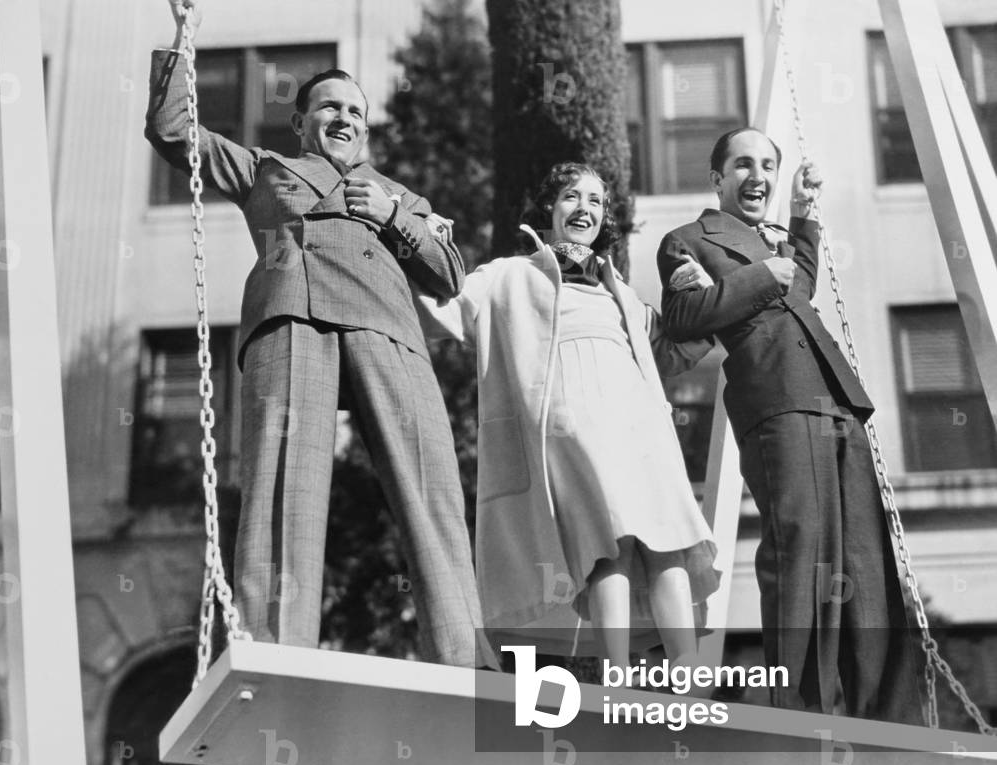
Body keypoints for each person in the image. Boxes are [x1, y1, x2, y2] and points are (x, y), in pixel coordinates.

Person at [146, 0, 495, 672]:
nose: (344, 119)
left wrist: (394, 215)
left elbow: (447, 277)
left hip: (387, 327)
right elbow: (173, 131)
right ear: (301, 122)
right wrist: (185, 36)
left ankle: (463, 655)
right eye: (329, 108)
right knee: (284, 486)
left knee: (429, 487)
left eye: (356, 113)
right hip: (293, 315)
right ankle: (275, 650)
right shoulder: (264, 169)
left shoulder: (398, 194)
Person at [656, 126, 923, 723]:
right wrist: (759, 276)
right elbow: (682, 316)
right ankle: (802, 715)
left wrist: (803, 218)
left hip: (837, 403)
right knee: (802, 554)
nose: (759, 176)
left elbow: (796, 287)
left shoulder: (776, 243)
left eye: (768, 166)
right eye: (744, 164)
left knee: (864, 563)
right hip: (777, 403)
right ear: (717, 178)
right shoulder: (688, 242)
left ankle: (888, 717)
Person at [419, 162, 721, 671]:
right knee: (609, 541)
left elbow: (668, 353)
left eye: (596, 201)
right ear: (548, 209)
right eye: (570, 197)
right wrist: (421, 246)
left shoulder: (619, 291)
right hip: (571, 418)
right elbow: (442, 309)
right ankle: (618, 672)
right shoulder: (508, 275)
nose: (584, 208)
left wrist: (710, 304)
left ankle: (687, 670)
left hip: (638, 420)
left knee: (667, 535)